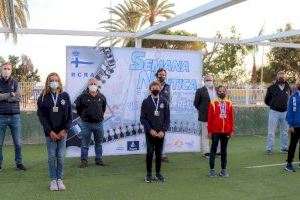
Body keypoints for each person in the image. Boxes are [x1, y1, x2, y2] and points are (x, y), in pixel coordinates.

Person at [37, 72, 72, 191]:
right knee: (52, 156)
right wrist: (49, 131)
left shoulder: (65, 96)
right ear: (48, 82)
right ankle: (53, 180)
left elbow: (70, 116)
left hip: (62, 133)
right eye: (52, 80)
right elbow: (41, 117)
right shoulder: (43, 97)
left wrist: (65, 130)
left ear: (59, 82)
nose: (54, 82)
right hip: (50, 133)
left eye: (56, 80)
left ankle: (59, 179)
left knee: (61, 157)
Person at [140, 81, 170, 183]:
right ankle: (149, 174)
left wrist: (163, 130)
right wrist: (150, 130)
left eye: (157, 87)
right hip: (150, 133)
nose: (155, 89)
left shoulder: (164, 102)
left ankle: (158, 173)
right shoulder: (146, 102)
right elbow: (143, 119)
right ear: (150, 89)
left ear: (160, 89)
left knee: (159, 153)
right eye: (153, 87)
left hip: (161, 133)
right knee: (149, 153)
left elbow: (167, 119)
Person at [75, 78, 107, 168]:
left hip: (99, 124)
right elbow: (78, 109)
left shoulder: (102, 97)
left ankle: (99, 159)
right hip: (86, 125)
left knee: (99, 143)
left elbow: (103, 109)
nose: (93, 85)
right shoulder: (82, 97)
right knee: (85, 144)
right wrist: (84, 117)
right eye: (91, 83)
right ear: (88, 86)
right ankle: (84, 161)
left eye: (95, 84)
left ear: (97, 85)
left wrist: (98, 116)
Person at [0, 62, 26, 172]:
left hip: (15, 117)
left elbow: (19, 97)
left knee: (18, 143)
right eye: (4, 68)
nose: (6, 70)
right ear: (1, 70)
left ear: (11, 70)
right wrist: (10, 94)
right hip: (1, 117)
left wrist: (3, 96)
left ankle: (19, 163)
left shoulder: (15, 82)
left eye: (8, 68)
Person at [207, 85, 234, 177]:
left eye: (223, 91)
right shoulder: (213, 103)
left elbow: (231, 118)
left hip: (226, 131)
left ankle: (223, 169)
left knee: (224, 151)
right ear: (217, 92)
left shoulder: (229, 103)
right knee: (213, 150)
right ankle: (212, 170)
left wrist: (231, 130)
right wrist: (209, 131)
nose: (222, 93)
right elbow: (210, 118)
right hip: (215, 131)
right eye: (220, 91)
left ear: (226, 92)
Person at [194, 74, 220, 158]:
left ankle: (218, 151)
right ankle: (206, 152)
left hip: (217, 116)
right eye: (207, 80)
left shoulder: (217, 90)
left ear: (213, 81)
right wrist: (202, 110)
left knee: (217, 134)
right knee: (205, 134)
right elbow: (196, 103)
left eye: (210, 80)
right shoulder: (200, 91)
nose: (209, 81)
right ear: (204, 81)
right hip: (205, 115)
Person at [265, 71, 291, 154]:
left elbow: (290, 99)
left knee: (284, 132)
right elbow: (267, 100)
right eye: (280, 77)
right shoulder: (271, 88)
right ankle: (269, 148)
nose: (282, 78)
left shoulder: (288, 87)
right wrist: (272, 105)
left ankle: (283, 148)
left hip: (285, 113)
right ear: (277, 78)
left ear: (285, 78)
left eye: (283, 77)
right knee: (271, 132)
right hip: (274, 112)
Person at [155, 68, 171, 162]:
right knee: (152, 134)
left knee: (162, 134)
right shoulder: (152, 86)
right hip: (153, 114)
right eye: (160, 74)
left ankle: (162, 154)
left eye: (164, 75)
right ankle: (152, 155)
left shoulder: (168, 87)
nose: (162, 76)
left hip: (163, 114)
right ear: (157, 75)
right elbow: (147, 98)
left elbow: (170, 99)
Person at [284, 80, 300, 172]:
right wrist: (291, 125)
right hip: (295, 126)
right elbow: (289, 111)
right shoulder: (293, 97)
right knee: (293, 145)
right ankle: (289, 164)